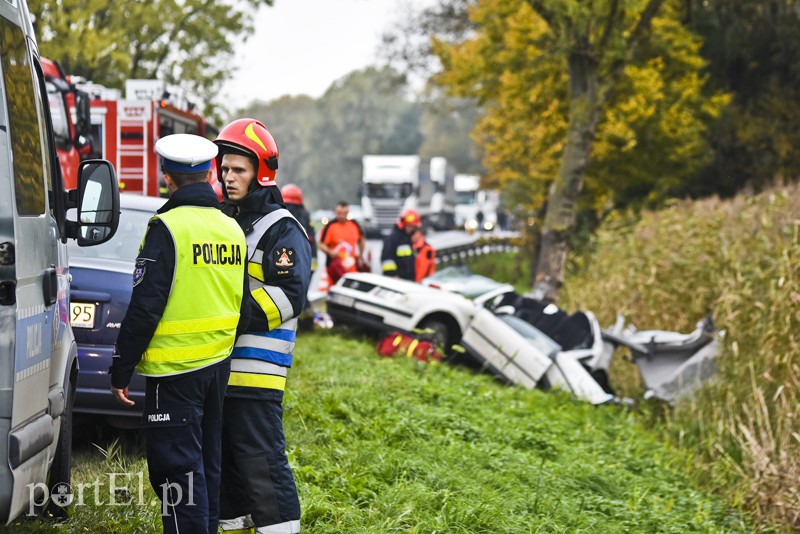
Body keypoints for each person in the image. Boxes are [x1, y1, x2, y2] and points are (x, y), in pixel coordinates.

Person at [110, 134, 247, 534]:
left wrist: (122, 368)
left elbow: (146, 306)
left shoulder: (167, 228)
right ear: (209, 174)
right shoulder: (230, 228)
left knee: (177, 477)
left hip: (174, 373)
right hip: (217, 366)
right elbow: (240, 303)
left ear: (165, 176)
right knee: (204, 467)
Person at [214, 119, 312, 534]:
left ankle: (282, 528)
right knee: (228, 460)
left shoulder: (282, 229)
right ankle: (237, 523)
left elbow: (292, 296)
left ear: (261, 172)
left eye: (239, 169)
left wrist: (228, 318)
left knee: (262, 460)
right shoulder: (226, 220)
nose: (228, 176)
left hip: (258, 372)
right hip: (220, 367)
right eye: (225, 168)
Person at [281, 183, 317, 330]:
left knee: (291, 293)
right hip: (309, 262)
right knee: (303, 292)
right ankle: (307, 324)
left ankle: (298, 325)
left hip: (292, 263)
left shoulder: (284, 216)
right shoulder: (306, 216)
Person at [318, 200, 366, 283]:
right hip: (335, 267)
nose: (342, 216)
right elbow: (321, 244)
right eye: (339, 213)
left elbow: (361, 240)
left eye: (345, 213)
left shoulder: (354, 224)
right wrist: (330, 252)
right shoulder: (331, 226)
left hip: (351, 267)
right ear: (336, 212)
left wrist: (360, 256)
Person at [381, 209, 421, 281]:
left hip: (409, 280)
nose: (412, 229)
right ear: (404, 225)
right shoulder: (392, 239)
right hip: (397, 281)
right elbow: (387, 261)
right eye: (411, 226)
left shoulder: (409, 239)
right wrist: (393, 276)